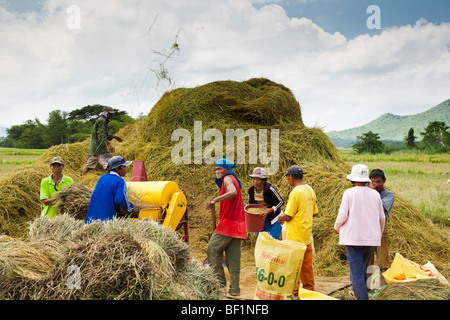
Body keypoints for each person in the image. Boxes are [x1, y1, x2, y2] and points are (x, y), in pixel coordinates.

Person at [334, 164, 385, 300]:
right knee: (361, 268)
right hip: (371, 239)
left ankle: (362, 297)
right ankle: (358, 295)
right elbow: (382, 218)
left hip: (353, 238)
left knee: (356, 272)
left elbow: (342, 215)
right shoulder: (375, 194)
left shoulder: (349, 193)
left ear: (352, 179)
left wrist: (336, 227)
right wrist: (377, 234)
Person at [206, 158, 246, 297]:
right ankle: (234, 290)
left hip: (228, 224)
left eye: (219, 169)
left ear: (227, 169)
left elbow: (233, 192)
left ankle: (219, 283)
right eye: (216, 169)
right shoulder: (232, 179)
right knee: (233, 259)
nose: (217, 171)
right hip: (238, 225)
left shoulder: (228, 179)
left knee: (212, 249)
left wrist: (215, 200)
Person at [278, 165, 318, 293]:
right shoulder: (309, 189)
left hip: (295, 236)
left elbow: (288, 216)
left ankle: (294, 292)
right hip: (306, 234)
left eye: (287, 177)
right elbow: (314, 212)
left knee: (294, 266)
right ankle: (309, 289)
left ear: (290, 177)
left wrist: (280, 217)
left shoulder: (295, 192)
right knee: (307, 266)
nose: (287, 180)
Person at [85, 156, 135, 224]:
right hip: (106, 220)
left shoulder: (102, 178)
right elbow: (120, 198)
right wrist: (129, 208)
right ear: (117, 168)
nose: (126, 169)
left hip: (91, 220)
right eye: (124, 167)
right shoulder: (120, 181)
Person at [369, 169, 395, 284]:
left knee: (383, 259)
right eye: (373, 182)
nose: (376, 185)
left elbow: (380, 209)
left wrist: (371, 193)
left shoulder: (389, 195)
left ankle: (383, 287)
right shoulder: (367, 192)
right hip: (367, 227)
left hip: (381, 227)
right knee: (368, 260)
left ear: (384, 181)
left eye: (378, 182)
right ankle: (368, 287)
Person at [81, 106, 124, 175]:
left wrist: (114, 136)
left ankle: (82, 177)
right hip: (100, 149)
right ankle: (110, 179)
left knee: (88, 166)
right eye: (110, 114)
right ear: (106, 113)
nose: (111, 115)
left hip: (94, 149)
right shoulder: (102, 121)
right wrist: (109, 144)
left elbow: (104, 134)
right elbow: (101, 135)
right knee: (110, 164)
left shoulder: (102, 120)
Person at [247, 167, 284, 239]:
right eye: (253, 179)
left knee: (272, 241)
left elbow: (281, 201)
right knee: (261, 240)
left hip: (274, 218)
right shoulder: (251, 190)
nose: (255, 181)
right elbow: (249, 204)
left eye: (258, 179)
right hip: (261, 218)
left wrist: (270, 210)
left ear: (263, 180)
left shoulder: (270, 189)